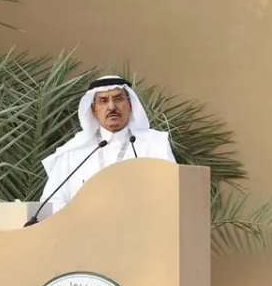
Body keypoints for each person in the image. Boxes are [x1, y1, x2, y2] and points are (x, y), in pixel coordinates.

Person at [38, 75, 176, 215]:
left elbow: (172, 194)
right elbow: (49, 204)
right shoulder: (72, 152)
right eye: (103, 101)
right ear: (93, 109)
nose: (111, 107)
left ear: (130, 104)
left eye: (118, 99)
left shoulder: (155, 144)